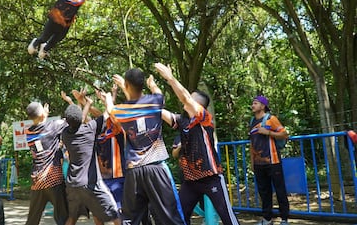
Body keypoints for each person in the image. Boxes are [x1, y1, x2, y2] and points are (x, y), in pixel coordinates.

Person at [154, 63, 239, 225]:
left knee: (228, 219)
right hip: (191, 181)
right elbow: (159, 110)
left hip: (211, 178)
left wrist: (170, 79)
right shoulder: (183, 121)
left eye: (191, 98)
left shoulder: (204, 119)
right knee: (178, 218)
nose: (186, 99)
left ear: (199, 106)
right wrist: (150, 92)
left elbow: (184, 97)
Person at [107, 68, 186, 225]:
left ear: (127, 85)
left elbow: (110, 110)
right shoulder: (156, 101)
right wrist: (152, 84)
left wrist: (110, 97)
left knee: (130, 219)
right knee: (171, 216)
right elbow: (156, 92)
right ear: (142, 85)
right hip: (156, 167)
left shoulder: (122, 110)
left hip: (134, 171)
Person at [62, 95, 121, 225]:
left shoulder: (65, 134)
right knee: (114, 213)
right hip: (91, 182)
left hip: (72, 183)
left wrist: (88, 104)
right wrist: (109, 98)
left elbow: (79, 119)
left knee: (72, 218)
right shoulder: (90, 130)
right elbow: (107, 112)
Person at [23, 101, 69, 225]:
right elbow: (72, 118)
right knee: (63, 217)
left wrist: (44, 116)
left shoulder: (28, 133)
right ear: (42, 114)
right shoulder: (54, 126)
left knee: (33, 219)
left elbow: (43, 132)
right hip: (53, 179)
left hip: (37, 180)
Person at [249, 95, 290, 225]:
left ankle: (284, 219)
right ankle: (267, 219)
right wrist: (252, 161)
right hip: (258, 163)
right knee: (264, 192)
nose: (253, 105)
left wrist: (269, 133)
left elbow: (284, 134)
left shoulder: (271, 119)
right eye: (253, 103)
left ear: (263, 106)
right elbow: (251, 143)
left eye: (255, 103)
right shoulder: (252, 121)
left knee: (280, 190)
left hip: (273, 162)